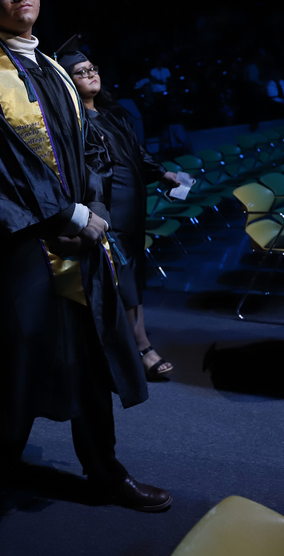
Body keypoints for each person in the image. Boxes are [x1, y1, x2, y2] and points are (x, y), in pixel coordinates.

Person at [0, 0, 170, 511]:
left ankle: (105, 471)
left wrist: (91, 206)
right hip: (20, 244)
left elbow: (89, 148)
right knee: (20, 360)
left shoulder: (52, 66)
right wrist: (66, 212)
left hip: (80, 238)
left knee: (92, 356)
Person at [59, 51, 180, 380]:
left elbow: (136, 153)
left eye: (92, 68)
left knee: (132, 276)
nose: (90, 74)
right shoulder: (74, 123)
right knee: (122, 276)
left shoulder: (112, 114)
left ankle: (132, 346)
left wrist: (163, 173)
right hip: (109, 207)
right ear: (68, 83)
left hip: (133, 205)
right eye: (81, 72)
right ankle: (140, 348)